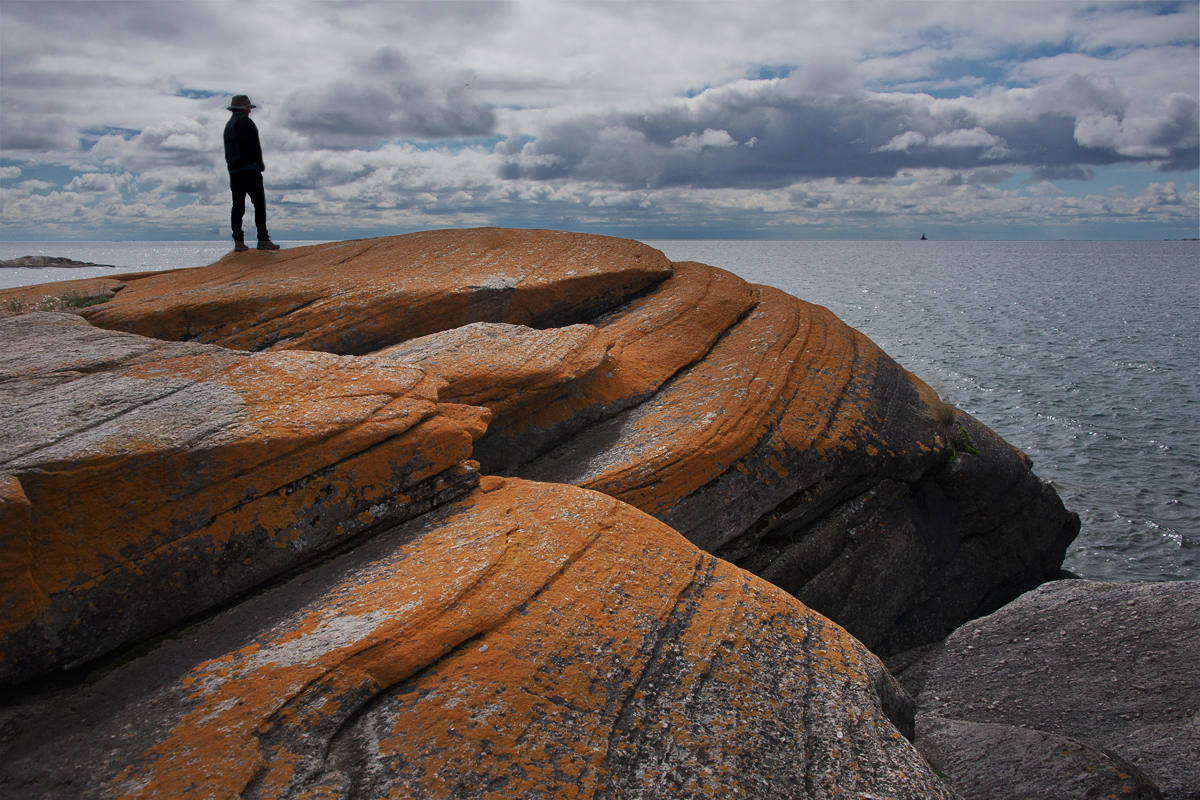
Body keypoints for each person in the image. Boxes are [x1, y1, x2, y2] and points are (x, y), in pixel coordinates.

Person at [224, 95, 280, 251]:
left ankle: (238, 242)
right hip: (249, 169)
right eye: (248, 109)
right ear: (245, 109)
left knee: (238, 207)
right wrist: (260, 165)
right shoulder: (246, 122)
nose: (249, 112)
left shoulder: (229, 126)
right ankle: (263, 239)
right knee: (259, 205)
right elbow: (255, 146)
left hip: (234, 172)